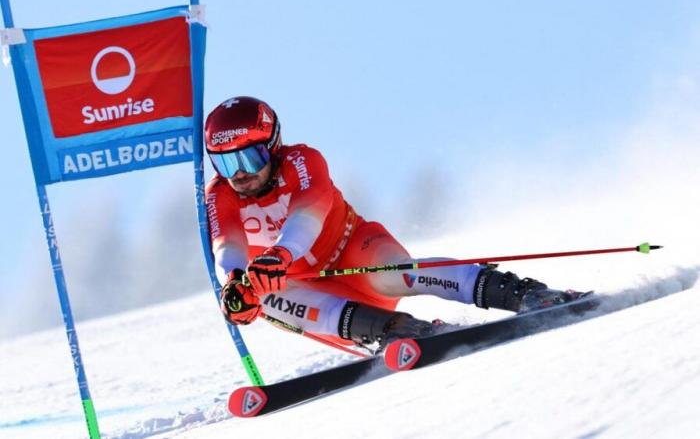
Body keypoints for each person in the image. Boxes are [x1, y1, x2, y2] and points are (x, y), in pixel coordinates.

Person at [204, 96, 585, 350]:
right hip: (319, 296)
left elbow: (308, 215)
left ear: (272, 146)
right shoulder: (219, 193)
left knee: (392, 272)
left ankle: (522, 293)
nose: (238, 175)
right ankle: (396, 329)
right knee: (262, 296)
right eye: (225, 163)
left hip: (353, 250)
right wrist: (235, 284)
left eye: (248, 160)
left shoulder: (302, 161)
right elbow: (228, 246)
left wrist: (280, 254)